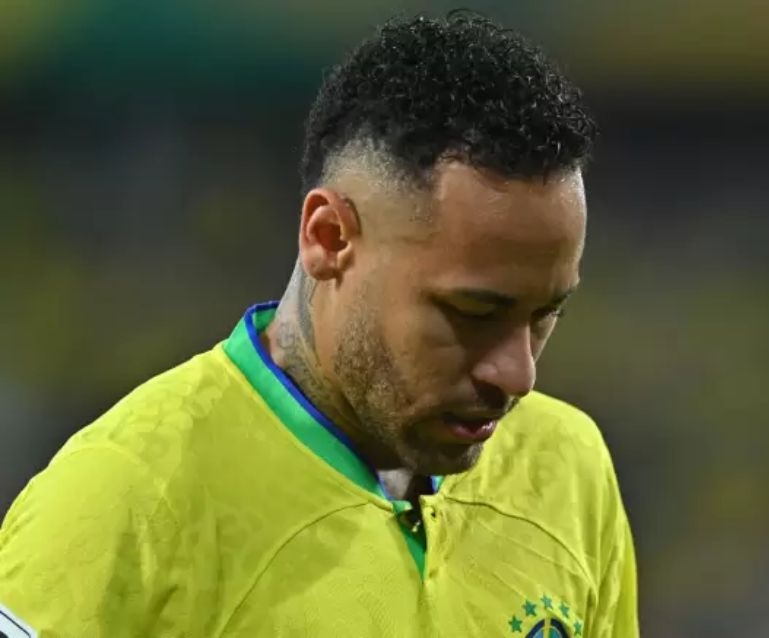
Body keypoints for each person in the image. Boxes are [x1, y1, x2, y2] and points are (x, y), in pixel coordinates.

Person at [0, 12, 638, 638]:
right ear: (329, 238)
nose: (518, 374)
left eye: (546, 314)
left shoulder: (568, 468)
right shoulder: (121, 504)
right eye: (473, 313)